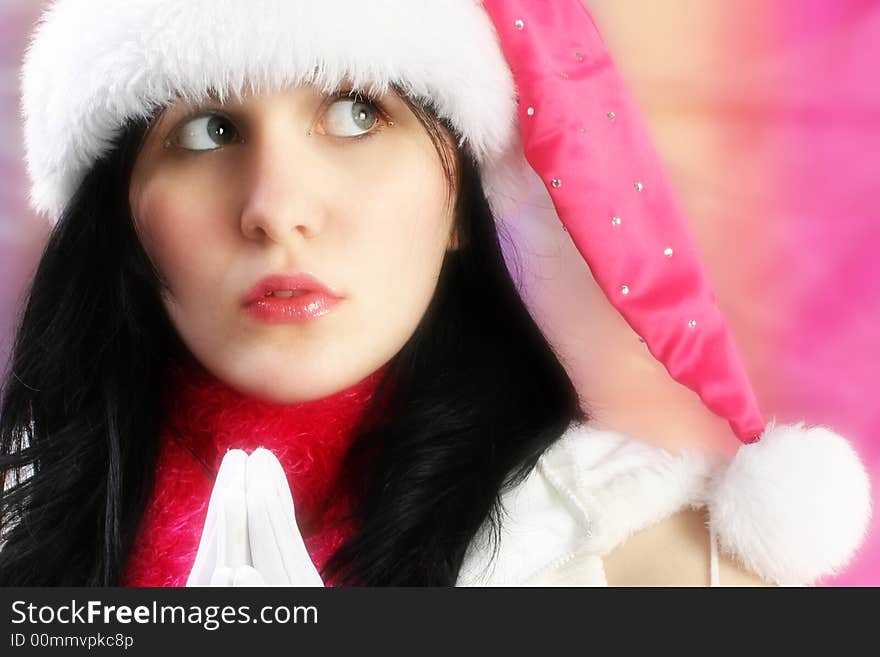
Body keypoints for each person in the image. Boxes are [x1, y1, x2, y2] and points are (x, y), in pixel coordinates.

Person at [0, 0, 871, 587]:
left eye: (354, 112)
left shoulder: (668, 561)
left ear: (460, 200)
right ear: (124, 220)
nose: (276, 209)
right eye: (207, 128)